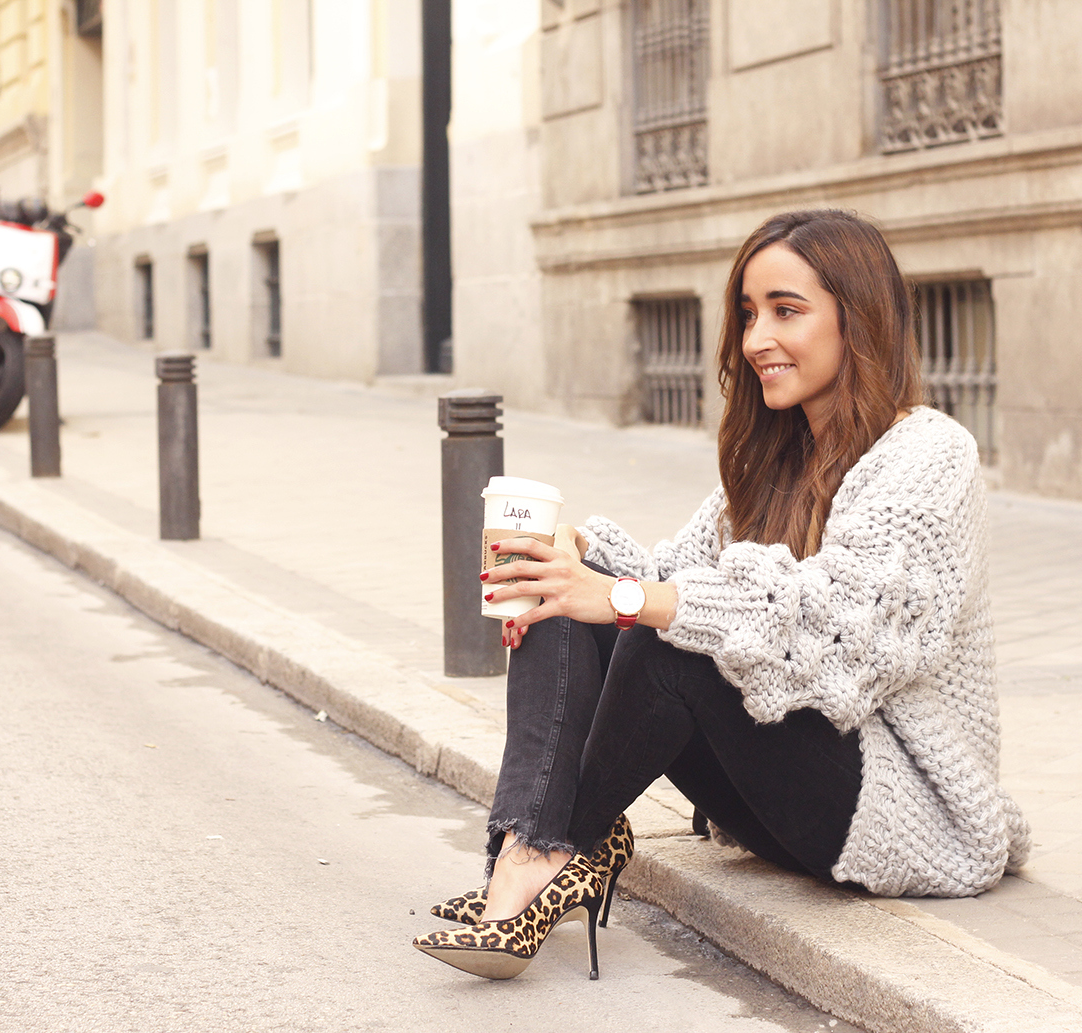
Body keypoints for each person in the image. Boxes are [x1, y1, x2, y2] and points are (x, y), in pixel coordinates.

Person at [413, 209, 1030, 981]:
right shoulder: (779, 456)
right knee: (562, 594)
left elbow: (848, 634)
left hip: (896, 811)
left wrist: (630, 597)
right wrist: (578, 558)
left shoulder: (930, 453)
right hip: (770, 798)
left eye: (786, 311)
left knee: (664, 630)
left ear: (859, 319)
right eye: (747, 314)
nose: (755, 339)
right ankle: (533, 853)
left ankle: (539, 858)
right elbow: (670, 570)